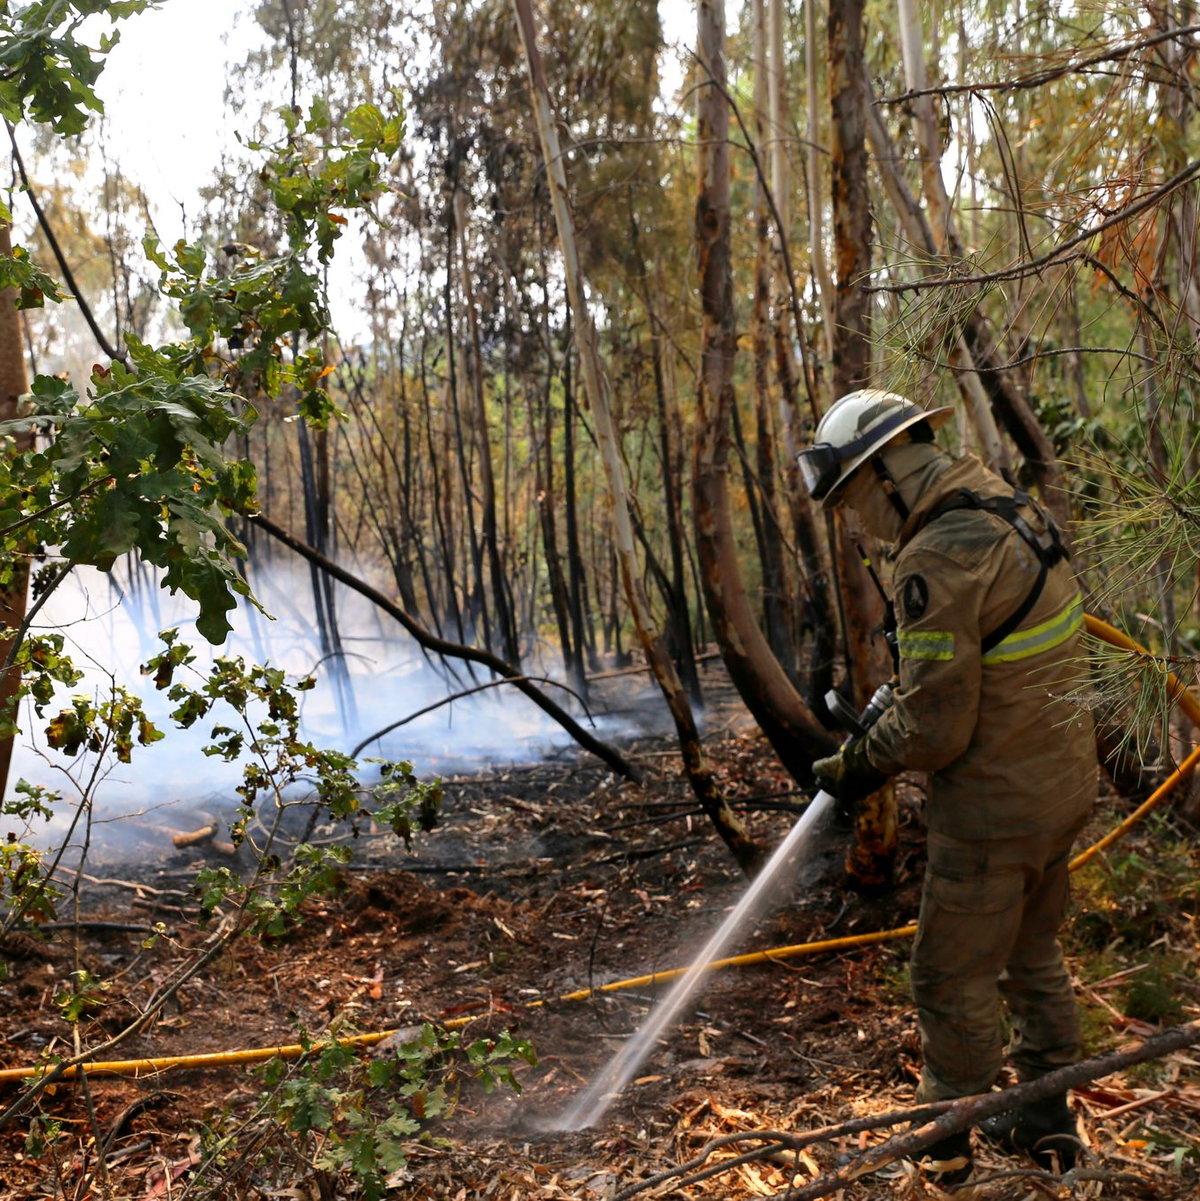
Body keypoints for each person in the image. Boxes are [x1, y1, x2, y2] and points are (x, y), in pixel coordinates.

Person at [801, 390, 1097, 1186]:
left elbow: (935, 732)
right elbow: (967, 665)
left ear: (886, 472)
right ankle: (1047, 1118)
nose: (856, 521)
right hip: (1061, 781)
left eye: (854, 500)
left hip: (997, 805)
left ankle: (948, 1137)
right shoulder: (999, 500)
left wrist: (856, 766)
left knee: (948, 968)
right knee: (1031, 952)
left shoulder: (936, 554)